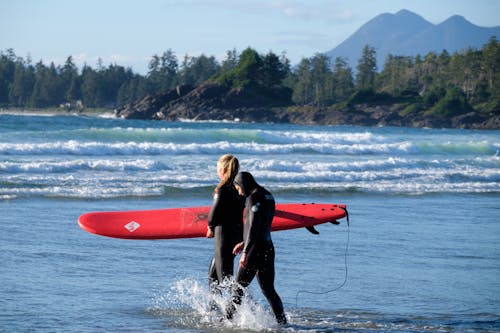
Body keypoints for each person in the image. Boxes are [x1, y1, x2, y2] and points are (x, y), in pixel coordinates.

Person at [226, 171, 287, 325]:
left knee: (237, 289)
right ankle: (283, 322)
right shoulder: (268, 195)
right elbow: (263, 225)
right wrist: (244, 242)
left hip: (254, 251)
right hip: (267, 247)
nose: (240, 193)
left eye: (238, 189)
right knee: (268, 290)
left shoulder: (253, 197)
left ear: (242, 185)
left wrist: (246, 251)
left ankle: (225, 322)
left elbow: (253, 226)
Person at [206, 154, 245, 294]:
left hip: (223, 234)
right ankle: (213, 311)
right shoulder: (240, 188)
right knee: (213, 278)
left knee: (224, 280)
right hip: (237, 233)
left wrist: (210, 227)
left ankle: (244, 312)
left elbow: (214, 213)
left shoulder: (222, 189)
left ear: (222, 170)